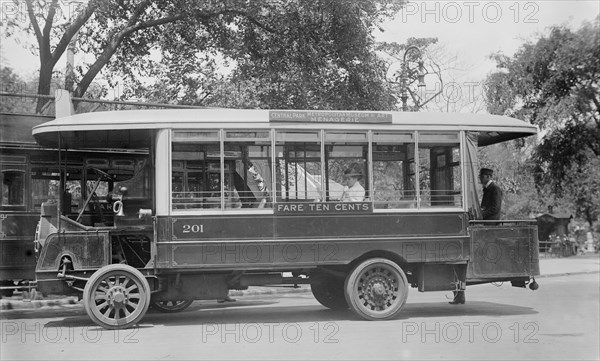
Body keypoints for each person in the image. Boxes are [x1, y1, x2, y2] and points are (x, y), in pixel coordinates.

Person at [450, 167, 503, 305]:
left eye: (482, 176)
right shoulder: (488, 189)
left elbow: (494, 209)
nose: (480, 178)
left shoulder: (495, 189)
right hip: (485, 222)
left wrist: (479, 216)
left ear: (488, 176)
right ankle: (459, 294)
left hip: (490, 224)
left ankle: (460, 292)